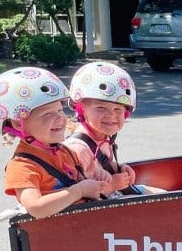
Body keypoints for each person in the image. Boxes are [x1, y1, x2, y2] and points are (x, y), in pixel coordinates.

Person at [0, 67, 107, 218]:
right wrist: (79, 191)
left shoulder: (65, 152)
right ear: (17, 124)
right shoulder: (22, 166)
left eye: (60, 110)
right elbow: (36, 207)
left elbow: (83, 181)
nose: (60, 118)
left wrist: (97, 176)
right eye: (47, 113)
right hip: (57, 236)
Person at [64, 61, 160, 196]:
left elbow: (101, 166)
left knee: (165, 196)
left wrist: (119, 168)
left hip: (113, 195)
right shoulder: (79, 149)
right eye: (101, 108)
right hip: (102, 207)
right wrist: (113, 184)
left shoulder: (102, 138)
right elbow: (81, 196)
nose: (111, 115)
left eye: (118, 109)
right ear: (81, 109)